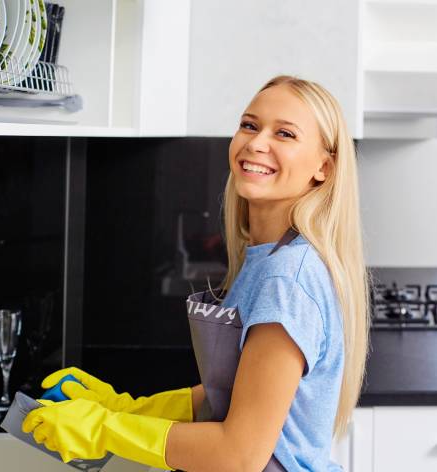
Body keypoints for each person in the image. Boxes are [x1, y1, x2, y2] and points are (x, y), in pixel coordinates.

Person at [23, 75, 370, 472]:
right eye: (250, 125)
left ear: (323, 167)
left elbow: (239, 456)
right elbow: (234, 394)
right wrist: (126, 408)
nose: (256, 143)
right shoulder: (270, 258)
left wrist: (106, 428)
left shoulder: (286, 280)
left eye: (285, 134)